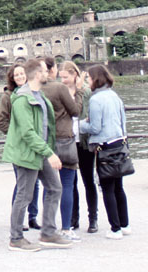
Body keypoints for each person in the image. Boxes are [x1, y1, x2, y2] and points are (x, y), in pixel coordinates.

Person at [3, 59, 71, 252]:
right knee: (24, 195)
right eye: (44, 71)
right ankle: (16, 238)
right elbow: (27, 133)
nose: (47, 73)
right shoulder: (22, 99)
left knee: (55, 188)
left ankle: (48, 233)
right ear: (36, 74)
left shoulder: (39, 96)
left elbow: (44, 128)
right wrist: (50, 153)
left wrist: (48, 151)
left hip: (40, 152)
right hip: (27, 154)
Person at [79, 64, 129, 240]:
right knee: (119, 187)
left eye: (89, 78)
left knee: (107, 188)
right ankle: (125, 224)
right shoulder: (114, 96)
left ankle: (115, 228)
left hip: (104, 147)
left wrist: (81, 124)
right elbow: (123, 122)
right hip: (119, 143)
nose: (87, 81)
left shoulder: (95, 100)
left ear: (95, 79)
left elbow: (95, 127)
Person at [41, 57, 80, 243]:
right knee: (67, 184)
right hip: (64, 138)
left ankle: (47, 226)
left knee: (48, 185)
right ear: (52, 70)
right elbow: (75, 110)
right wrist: (78, 92)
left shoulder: (36, 89)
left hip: (46, 141)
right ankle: (66, 227)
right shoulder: (59, 88)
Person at [0, 64, 40, 231]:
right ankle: (18, 220)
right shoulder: (8, 96)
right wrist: (16, 134)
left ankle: (33, 216)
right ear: (12, 78)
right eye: (17, 75)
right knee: (22, 183)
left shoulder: (35, 92)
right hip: (20, 146)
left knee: (35, 183)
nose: (20, 77)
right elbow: (1, 122)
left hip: (34, 144)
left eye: (22, 73)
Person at [62, 61, 98, 234]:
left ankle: (93, 218)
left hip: (83, 141)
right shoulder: (61, 92)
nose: (63, 80)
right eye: (61, 77)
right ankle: (73, 218)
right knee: (71, 182)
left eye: (65, 77)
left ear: (74, 75)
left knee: (88, 180)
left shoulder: (86, 92)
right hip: (68, 142)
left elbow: (91, 114)